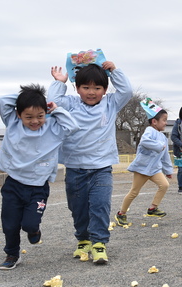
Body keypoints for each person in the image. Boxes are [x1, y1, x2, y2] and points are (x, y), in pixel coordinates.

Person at [48, 60, 133, 265]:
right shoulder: (71, 103)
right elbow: (52, 101)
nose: (91, 92)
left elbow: (127, 91)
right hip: (75, 167)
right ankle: (83, 239)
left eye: (97, 87)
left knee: (100, 205)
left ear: (105, 90)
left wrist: (114, 71)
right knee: (78, 207)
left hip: (102, 168)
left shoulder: (110, 103)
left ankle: (99, 243)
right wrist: (60, 82)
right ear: (77, 88)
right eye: (85, 87)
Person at [0, 85, 78, 270]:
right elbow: (1, 101)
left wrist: (56, 109)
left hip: (38, 187)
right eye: (29, 117)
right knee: (9, 223)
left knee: (29, 224)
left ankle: (34, 230)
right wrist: (28, 97)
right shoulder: (12, 122)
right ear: (18, 114)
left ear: (45, 113)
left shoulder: (53, 128)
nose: (35, 121)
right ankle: (12, 254)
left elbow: (73, 126)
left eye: (40, 116)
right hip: (13, 183)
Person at [115, 100, 173, 227]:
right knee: (134, 192)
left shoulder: (163, 137)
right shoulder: (149, 131)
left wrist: (168, 170)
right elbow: (144, 142)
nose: (166, 123)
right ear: (154, 122)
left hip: (155, 169)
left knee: (164, 185)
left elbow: (165, 156)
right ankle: (121, 213)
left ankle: (152, 208)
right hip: (142, 168)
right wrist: (159, 146)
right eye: (164, 120)